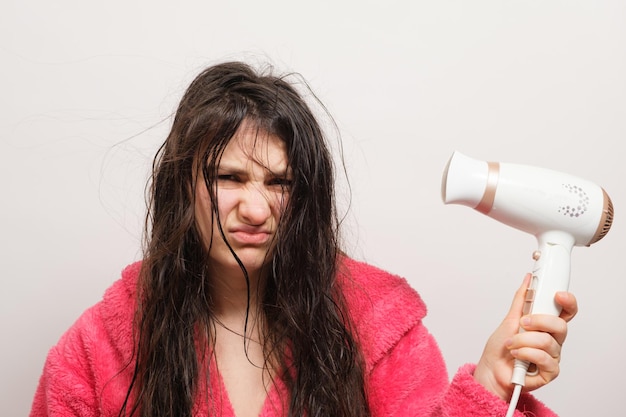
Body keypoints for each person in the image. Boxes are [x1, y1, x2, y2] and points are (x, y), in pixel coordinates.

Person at [29, 61, 577, 417]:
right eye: (229, 178)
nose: (256, 207)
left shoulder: (375, 327)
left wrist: (490, 384)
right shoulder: (101, 346)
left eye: (280, 183)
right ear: (182, 185)